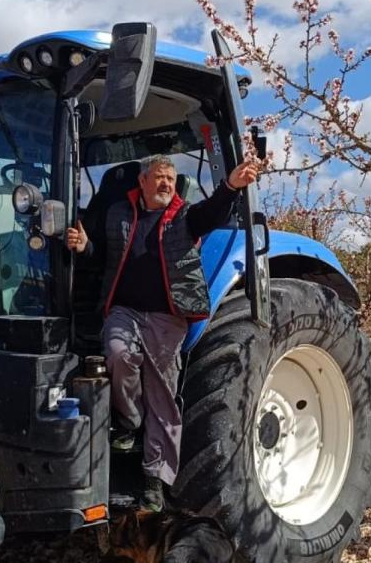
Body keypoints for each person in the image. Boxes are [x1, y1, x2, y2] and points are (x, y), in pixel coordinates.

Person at [66, 154, 260, 512]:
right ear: (142, 182)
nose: (166, 183)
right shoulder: (117, 215)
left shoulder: (185, 217)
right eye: (159, 177)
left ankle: (155, 481)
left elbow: (212, 214)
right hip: (124, 310)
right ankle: (130, 420)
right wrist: (83, 247)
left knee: (162, 395)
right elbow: (102, 257)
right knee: (118, 355)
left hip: (167, 317)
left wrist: (231, 186)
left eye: (171, 178)